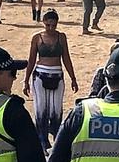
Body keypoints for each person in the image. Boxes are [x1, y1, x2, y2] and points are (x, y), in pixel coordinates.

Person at [23, 9, 78, 153]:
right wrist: (26, 80)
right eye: (48, 25)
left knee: (56, 110)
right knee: (41, 109)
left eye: (53, 25)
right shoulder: (37, 38)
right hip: (40, 75)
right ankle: (42, 140)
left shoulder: (61, 37)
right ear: (44, 23)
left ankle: (56, 139)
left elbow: (66, 57)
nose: (51, 28)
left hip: (57, 75)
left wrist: (73, 78)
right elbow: (31, 60)